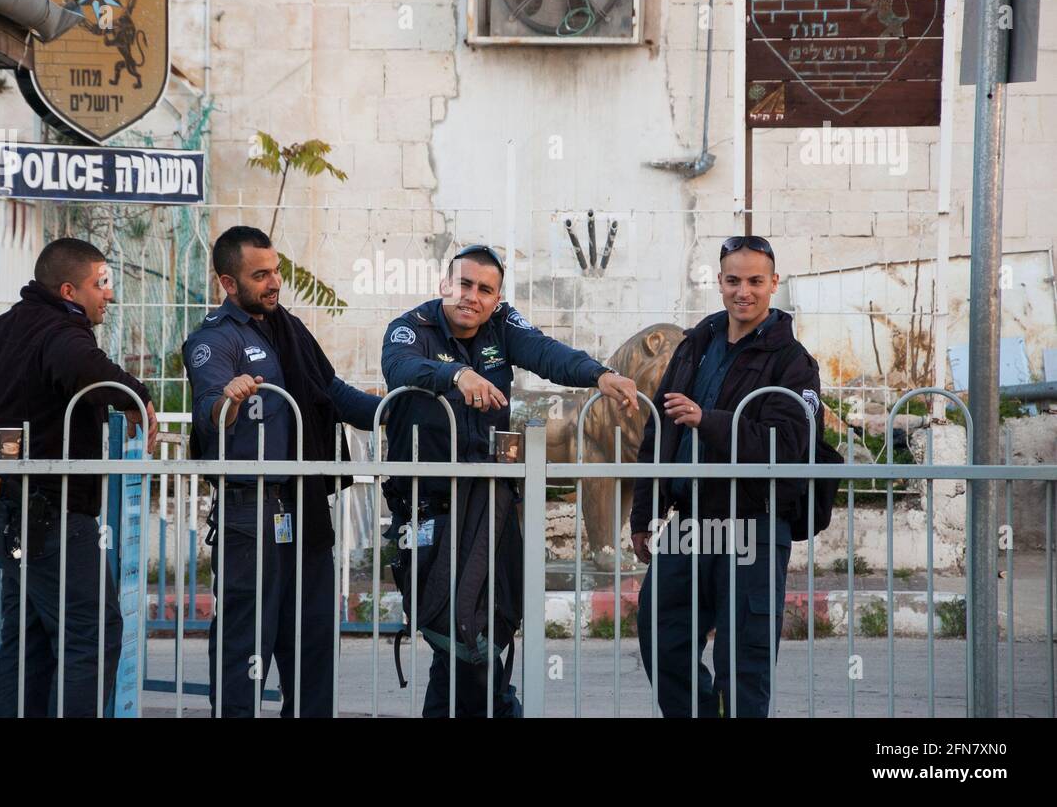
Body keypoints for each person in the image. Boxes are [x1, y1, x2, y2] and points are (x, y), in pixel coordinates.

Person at [381, 243, 638, 717]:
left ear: (496, 299)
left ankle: (495, 706)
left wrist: (599, 375)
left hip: (490, 506)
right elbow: (399, 370)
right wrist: (456, 375)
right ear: (444, 285)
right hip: (429, 507)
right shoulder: (408, 328)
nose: (471, 296)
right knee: (454, 630)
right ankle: (503, 708)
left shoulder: (504, 324)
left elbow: (545, 352)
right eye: (463, 284)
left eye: (484, 289)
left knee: (481, 631)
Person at [0, 237, 157, 717]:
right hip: (54, 515)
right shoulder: (62, 331)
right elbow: (87, 369)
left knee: (29, 639)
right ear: (69, 290)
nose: (109, 295)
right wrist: (137, 396)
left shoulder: (4, 328)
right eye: (100, 284)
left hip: (13, 509)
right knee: (93, 633)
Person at [185, 226, 380, 718]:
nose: (274, 283)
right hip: (251, 515)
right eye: (261, 275)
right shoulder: (214, 340)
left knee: (313, 639)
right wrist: (227, 400)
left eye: (276, 271)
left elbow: (330, 391)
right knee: (245, 644)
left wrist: (392, 411)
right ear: (229, 284)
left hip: (305, 507)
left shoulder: (287, 328)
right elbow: (210, 402)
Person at [630, 235, 824, 717]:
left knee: (743, 662)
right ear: (719, 282)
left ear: (774, 284)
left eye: (756, 281)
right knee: (662, 639)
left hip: (753, 523)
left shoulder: (792, 361)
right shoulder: (696, 344)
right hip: (690, 522)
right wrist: (643, 513)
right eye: (733, 280)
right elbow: (659, 430)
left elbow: (788, 444)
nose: (744, 291)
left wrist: (708, 419)